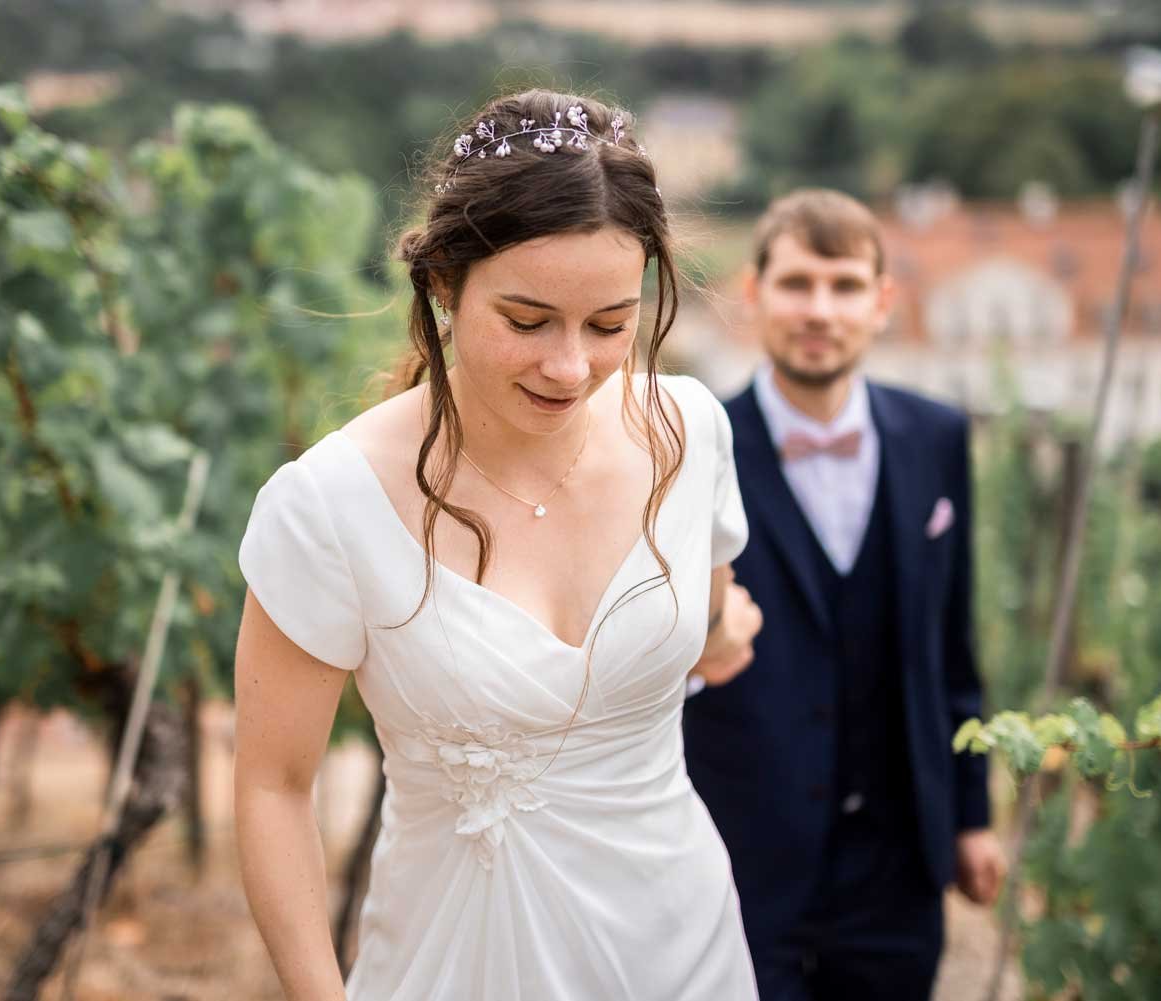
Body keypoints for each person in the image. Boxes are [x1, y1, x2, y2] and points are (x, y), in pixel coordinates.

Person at [233, 90, 765, 1001]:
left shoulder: (691, 431)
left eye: (609, 324)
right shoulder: (329, 505)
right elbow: (273, 787)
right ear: (445, 282)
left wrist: (719, 631)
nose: (570, 366)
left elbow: (712, 626)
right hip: (459, 961)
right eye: (527, 321)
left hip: (683, 948)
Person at [683, 188, 1008, 1001]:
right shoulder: (694, 450)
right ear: (754, 293)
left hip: (897, 865)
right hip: (742, 855)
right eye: (797, 283)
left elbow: (952, 643)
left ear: (882, 301)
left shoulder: (937, 436)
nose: (819, 310)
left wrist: (971, 815)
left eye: (845, 286)